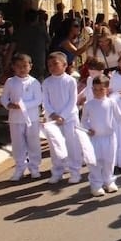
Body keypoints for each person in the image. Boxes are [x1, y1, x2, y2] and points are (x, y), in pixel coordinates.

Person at [81, 74, 121, 197]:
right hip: (94, 139)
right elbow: (83, 120)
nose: (97, 92)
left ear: (107, 89)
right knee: (95, 163)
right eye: (95, 89)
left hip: (109, 137)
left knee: (109, 161)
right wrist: (87, 129)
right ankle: (96, 185)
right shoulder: (88, 104)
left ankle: (109, 182)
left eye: (101, 89)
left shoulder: (111, 103)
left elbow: (120, 117)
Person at [0, 53, 43, 181]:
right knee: (18, 144)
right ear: (13, 67)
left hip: (32, 119)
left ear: (30, 66)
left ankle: (34, 167)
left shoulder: (34, 82)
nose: (22, 69)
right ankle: (20, 168)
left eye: (25, 66)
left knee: (33, 142)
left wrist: (23, 105)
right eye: (18, 66)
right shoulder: (10, 81)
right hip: (15, 119)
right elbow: (4, 97)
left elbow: (38, 99)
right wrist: (9, 105)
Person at [42, 52, 83, 184]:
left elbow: (72, 100)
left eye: (55, 64)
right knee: (55, 146)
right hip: (53, 119)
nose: (52, 67)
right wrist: (53, 114)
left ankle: (75, 171)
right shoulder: (47, 82)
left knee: (72, 145)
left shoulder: (70, 81)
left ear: (64, 65)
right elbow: (45, 101)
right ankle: (57, 171)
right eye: (49, 65)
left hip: (69, 118)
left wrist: (63, 116)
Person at [13, 9, 50, 81]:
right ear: (37, 18)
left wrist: (7, 62)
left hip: (22, 62)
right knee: (38, 84)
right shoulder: (41, 30)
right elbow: (48, 43)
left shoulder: (20, 30)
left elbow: (12, 46)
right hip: (38, 62)